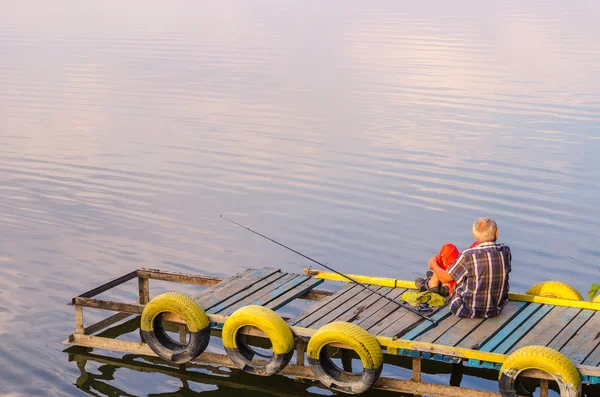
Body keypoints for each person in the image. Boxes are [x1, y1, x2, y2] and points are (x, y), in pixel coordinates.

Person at [428, 217, 511, 318]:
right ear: (496, 233)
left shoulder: (467, 255)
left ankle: (433, 283)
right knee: (474, 249)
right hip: (495, 309)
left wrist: (434, 265)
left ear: (473, 234)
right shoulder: (505, 251)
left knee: (448, 248)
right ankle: (439, 282)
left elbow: (445, 277)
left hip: (465, 309)